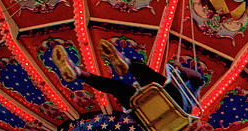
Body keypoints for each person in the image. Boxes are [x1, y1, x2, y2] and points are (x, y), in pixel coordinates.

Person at [52, 40, 205, 113]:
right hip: (151, 115)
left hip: (172, 101)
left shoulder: (189, 90)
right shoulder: (186, 93)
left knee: (153, 80)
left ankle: (127, 63)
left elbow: (197, 76)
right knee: (118, 88)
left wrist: (180, 67)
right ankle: (78, 73)